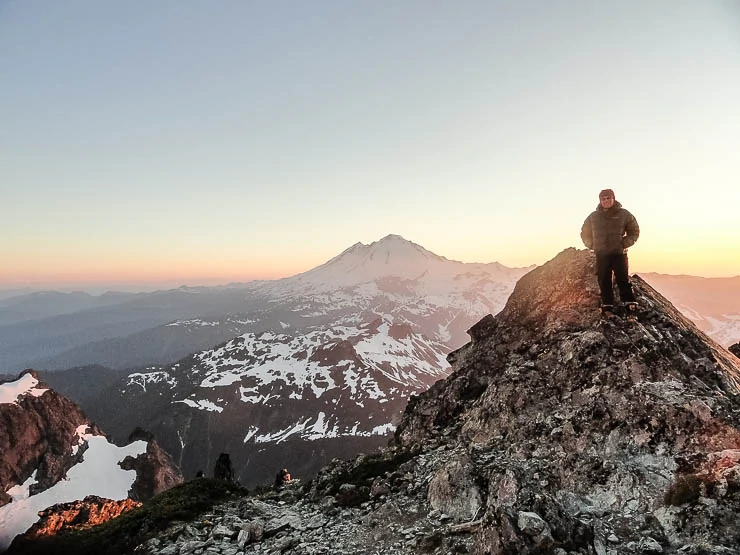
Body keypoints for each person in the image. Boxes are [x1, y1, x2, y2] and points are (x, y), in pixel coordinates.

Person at [580, 188, 640, 319]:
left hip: (619, 253)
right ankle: (607, 307)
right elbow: (584, 232)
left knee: (622, 280)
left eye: (608, 198)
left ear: (613, 198)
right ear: (600, 201)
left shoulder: (624, 214)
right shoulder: (593, 217)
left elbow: (634, 231)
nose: (606, 201)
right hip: (601, 254)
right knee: (604, 280)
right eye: (603, 199)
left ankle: (630, 307)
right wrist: (592, 245)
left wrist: (624, 243)